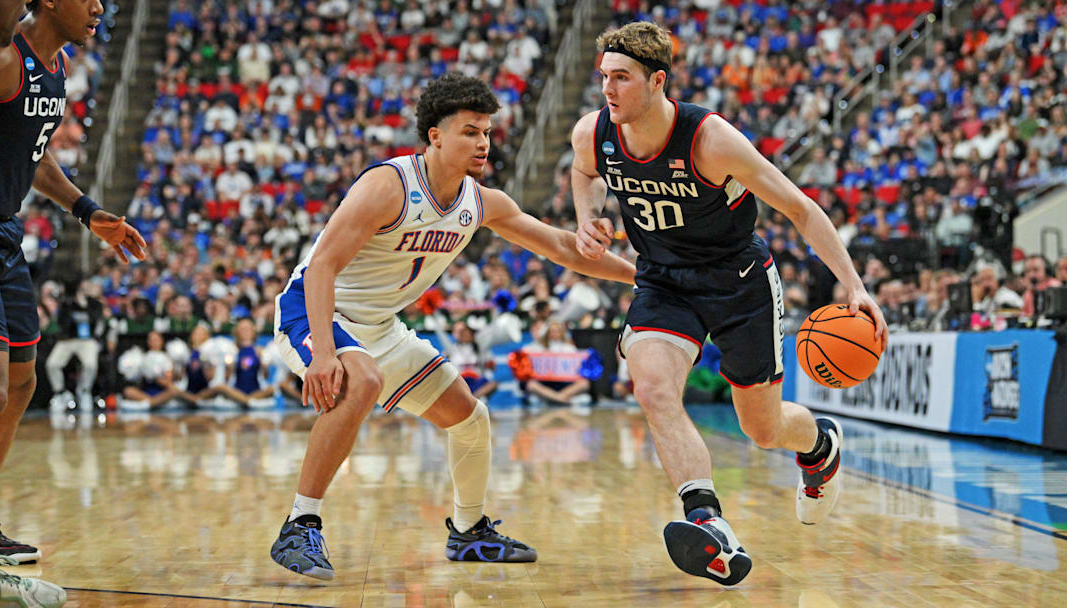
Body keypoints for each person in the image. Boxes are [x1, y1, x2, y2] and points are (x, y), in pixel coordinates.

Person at [270, 72, 636, 580]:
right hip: (314, 312)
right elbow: (323, 267)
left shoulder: (482, 203)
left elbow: (562, 247)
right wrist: (326, 354)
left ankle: (468, 532)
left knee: (469, 416)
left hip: (379, 326)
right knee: (362, 381)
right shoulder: (387, 185)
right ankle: (298, 523)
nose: (482, 143)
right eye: (469, 131)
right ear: (435, 136)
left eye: (486, 132)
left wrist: (643, 276)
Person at [570, 22, 887, 585]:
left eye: (621, 78)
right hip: (663, 281)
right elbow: (585, 175)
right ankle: (708, 523)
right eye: (604, 78)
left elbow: (801, 208)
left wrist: (855, 286)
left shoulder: (710, 140)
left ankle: (819, 446)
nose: (608, 90)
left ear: (658, 80)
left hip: (738, 280)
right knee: (652, 386)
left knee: (761, 430)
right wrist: (587, 215)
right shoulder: (593, 134)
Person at [0, 2, 145, 606]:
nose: (100, 7)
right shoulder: (2, 60)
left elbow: (38, 157)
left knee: (24, 383)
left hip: (5, 232)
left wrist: (88, 211)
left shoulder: (58, 68)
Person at [45, 279, 105, 411]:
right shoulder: (67, 303)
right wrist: (74, 303)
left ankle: (84, 391)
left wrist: (85, 304)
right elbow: (62, 323)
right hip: (67, 340)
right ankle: (60, 393)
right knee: (52, 364)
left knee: (90, 364)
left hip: (87, 340)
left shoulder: (95, 304)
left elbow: (97, 323)